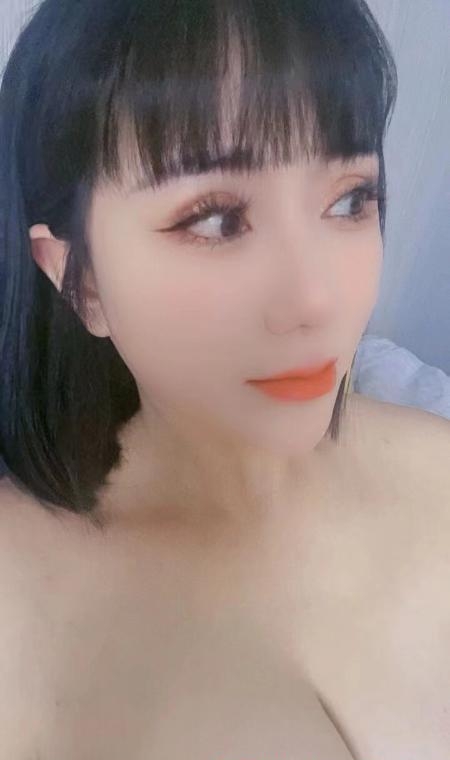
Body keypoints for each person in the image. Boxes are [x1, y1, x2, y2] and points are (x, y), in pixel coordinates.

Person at [0, 0, 449, 758]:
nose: (316, 299)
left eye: (349, 200)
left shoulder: (439, 469)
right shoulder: (19, 608)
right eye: (215, 220)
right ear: (82, 282)